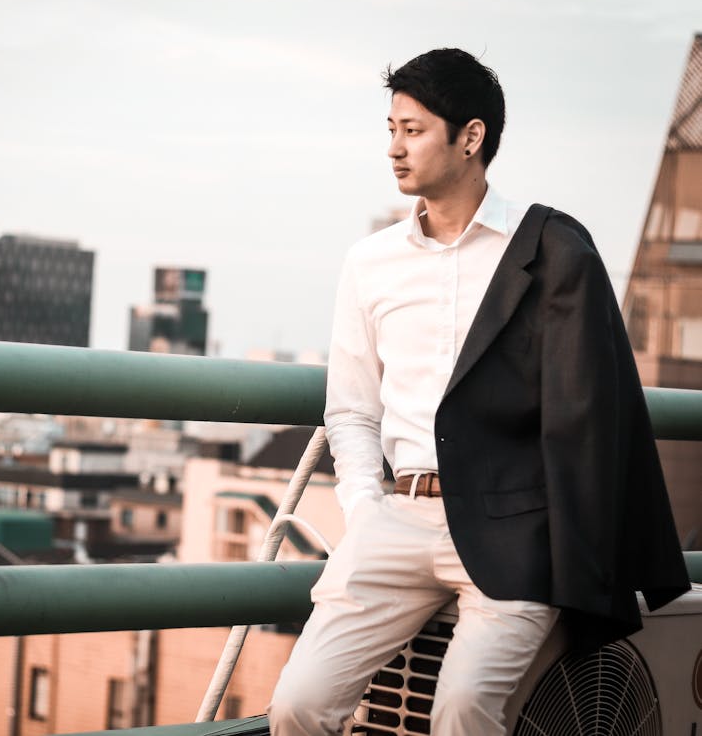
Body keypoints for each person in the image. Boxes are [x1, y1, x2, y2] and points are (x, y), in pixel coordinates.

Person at [267, 47, 689, 736]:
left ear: (471, 137)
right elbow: (350, 408)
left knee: (464, 711)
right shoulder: (370, 262)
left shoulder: (551, 248)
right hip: (396, 521)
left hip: (516, 526)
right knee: (298, 706)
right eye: (391, 129)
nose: (394, 149)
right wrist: (364, 510)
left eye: (413, 130)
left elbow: (589, 408)